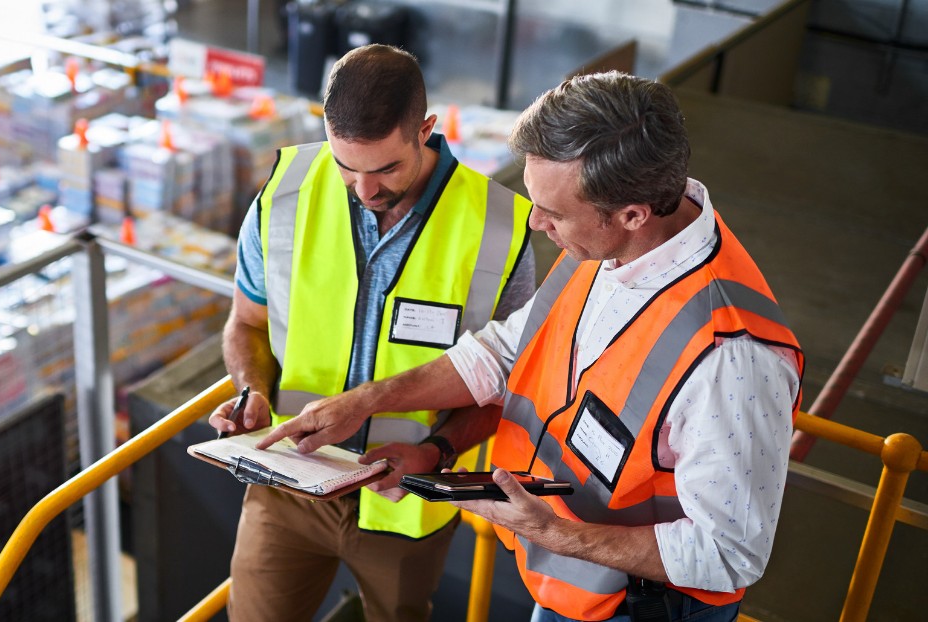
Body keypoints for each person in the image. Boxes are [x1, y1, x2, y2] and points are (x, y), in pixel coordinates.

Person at [259, 71, 804, 622]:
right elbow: (502, 352)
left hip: (642, 606)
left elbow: (729, 554)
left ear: (633, 214)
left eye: (554, 212)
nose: (536, 221)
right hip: (573, 586)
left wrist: (554, 532)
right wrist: (368, 401)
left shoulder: (733, 358)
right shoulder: (606, 245)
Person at [208, 44, 536, 621]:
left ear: (426, 131)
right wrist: (250, 389)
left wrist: (437, 450)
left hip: (405, 505)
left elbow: (508, 384)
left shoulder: (500, 228)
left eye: (386, 168)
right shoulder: (284, 194)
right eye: (346, 166)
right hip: (287, 480)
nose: (364, 190)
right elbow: (247, 322)